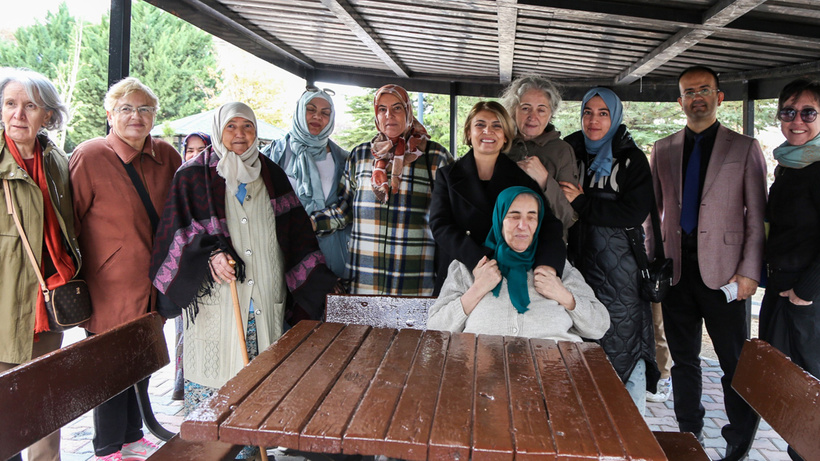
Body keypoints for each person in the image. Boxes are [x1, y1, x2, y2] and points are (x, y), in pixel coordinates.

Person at [150, 102, 340, 458]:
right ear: (218, 129)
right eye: (231, 127)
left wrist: (322, 287)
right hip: (216, 309)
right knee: (214, 408)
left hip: (265, 302)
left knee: (258, 397)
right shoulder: (192, 176)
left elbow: (297, 236)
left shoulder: (272, 174)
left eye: (248, 127)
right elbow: (175, 238)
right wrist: (209, 254)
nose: (240, 134)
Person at [648, 65, 766, 460]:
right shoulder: (662, 149)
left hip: (726, 274)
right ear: (679, 101)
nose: (696, 97)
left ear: (719, 97)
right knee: (683, 361)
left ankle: (739, 442)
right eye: (688, 92)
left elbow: (757, 215)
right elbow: (655, 211)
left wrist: (750, 271)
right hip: (676, 271)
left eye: (704, 90)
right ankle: (689, 432)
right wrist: (653, 262)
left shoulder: (744, 147)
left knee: (735, 364)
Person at [70, 76, 182, 461]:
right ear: (110, 114)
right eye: (126, 109)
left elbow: (181, 213)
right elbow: (72, 221)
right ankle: (106, 447)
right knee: (109, 368)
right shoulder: (90, 155)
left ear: (154, 115)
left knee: (142, 358)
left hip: (155, 282)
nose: (136, 116)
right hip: (108, 286)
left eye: (145, 109)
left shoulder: (166, 155)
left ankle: (133, 435)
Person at [562, 87, 659, 416]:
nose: (594, 120)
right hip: (575, 264)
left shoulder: (631, 158)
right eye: (588, 112)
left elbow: (632, 213)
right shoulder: (570, 148)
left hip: (620, 270)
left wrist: (582, 203)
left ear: (615, 117)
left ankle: (628, 434)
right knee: (578, 343)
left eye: (603, 113)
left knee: (622, 344)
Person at [0, 68, 79, 461]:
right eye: (10, 104)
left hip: (47, 306)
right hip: (2, 308)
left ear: (47, 114)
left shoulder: (57, 161)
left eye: (29, 106)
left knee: (45, 409)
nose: (18, 114)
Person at [314, 84, 453, 295]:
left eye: (397, 108)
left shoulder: (435, 157)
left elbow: (451, 217)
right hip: (364, 282)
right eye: (382, 109)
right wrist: (307, 224)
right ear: (376, 114)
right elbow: (343, 211)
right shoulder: (360, 156)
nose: (389, 115)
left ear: (408, 111)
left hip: (415, 283)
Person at [428, 186, 608, 340]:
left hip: (553, 371)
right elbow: (436, 328)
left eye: (531, 216)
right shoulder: (469, 268)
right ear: (499, 220)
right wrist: (477, 290)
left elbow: (599, 327)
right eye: (514, 216)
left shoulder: (558, 268)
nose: (523, 225)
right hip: (486, 372)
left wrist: (564, 296)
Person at [430, 101, 565, 295]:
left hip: (508, 275)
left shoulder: (522, 178)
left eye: (497, 125)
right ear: (469, 132)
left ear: (505, 136)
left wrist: (548, 267)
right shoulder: (446, 175)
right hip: (461, 270)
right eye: (480, 125)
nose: (488, 131)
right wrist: (480, 261)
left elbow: (549, 225)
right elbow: (440, 225)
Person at [759, 78, 820, 461]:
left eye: (808, 112)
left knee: (811, 389)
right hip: (782, 287)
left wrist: (808, 291)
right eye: (788, 112)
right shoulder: (789, 165)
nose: (796, 120)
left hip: (808, 297)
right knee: (788, 387)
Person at [264, 86, 351, 278]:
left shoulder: (344, 160)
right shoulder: (272, 154)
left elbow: (348, 209)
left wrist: (310, 224)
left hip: (328, 257)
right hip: (281, 253)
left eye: (325, 113)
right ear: (299, 111)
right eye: (310, 109)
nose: (317, 117)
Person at [500, 75, 579, 235]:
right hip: (502, 245)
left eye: (541, 110)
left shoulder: (562, 150)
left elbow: (568, 218)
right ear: (514, 110)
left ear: (551, 114)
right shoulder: (501, 144)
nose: (532, 116)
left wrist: (545, 180)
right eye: (525, 108)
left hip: (545, 247)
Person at [172, 131, 212, 402]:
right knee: (184, 333)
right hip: (186, 272)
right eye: (190, 149)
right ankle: (182, 385)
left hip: (212, 279)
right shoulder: (181, 181)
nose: (195, 154)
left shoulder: (217, 181)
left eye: (203, 148)